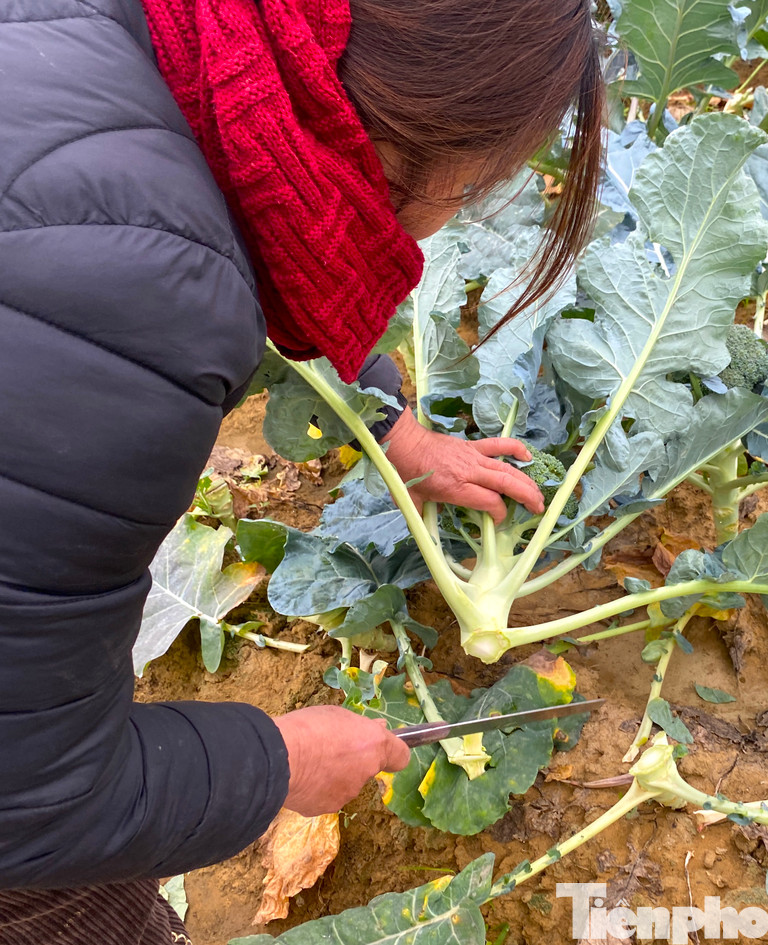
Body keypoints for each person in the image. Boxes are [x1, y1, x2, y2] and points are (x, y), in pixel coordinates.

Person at [0, 0, 604, 939]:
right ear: (432, 130)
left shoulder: (165, 44)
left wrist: (395, 428)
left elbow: (248, 233)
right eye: (480, 189)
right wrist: (277, 762)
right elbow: (26, 799)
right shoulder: (137, 285)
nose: (456, 219)